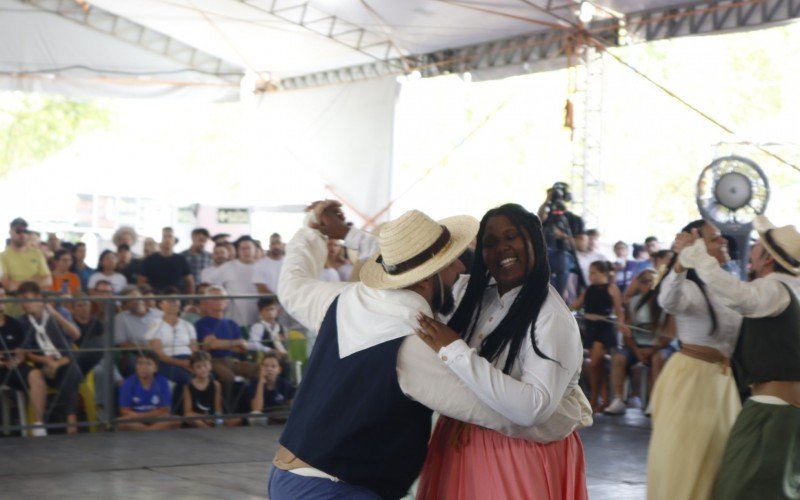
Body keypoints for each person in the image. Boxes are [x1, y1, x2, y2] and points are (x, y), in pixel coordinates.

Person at [269, 201, 589, 500]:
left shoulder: (345, 300)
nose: (462, 268)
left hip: (285, 476)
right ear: (426, 281)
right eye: (450, 264)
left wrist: (311, 230)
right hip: (339, 490)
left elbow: (293, 286)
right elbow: (509, 415)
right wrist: (567, 413)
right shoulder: (417, 340)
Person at [415, 203, 591, 500]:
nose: (502, 249)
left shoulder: (551, 317)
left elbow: (532, 408)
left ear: (534, 240)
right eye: (490, 243)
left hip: (515, 456)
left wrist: (455, 351)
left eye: (512, 237)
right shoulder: (475, 296)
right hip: (460, 445)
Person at [674, 215, 800, 499]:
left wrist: (695, 255)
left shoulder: (774, 289)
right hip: (785, 410)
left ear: (767, 258)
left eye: (757, 245)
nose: (751, 249)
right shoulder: (792, 288)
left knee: (737, 489)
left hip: (772, 409)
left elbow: (738, 295)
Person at [646, 220, 743, 500]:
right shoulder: (688, 288)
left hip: (722, 381)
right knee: (685, 464)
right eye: (715, 239)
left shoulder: (728, 285)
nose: (723, 241)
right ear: (698, 246)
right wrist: (680, 264)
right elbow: (668, 300)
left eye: (720, 237)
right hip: (691, 380)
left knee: (717, 463)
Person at [605, 269, 675, 415]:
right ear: (638, 284)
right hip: (637, 346)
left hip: (661, 346)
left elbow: (670, 334)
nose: (648, 284)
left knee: (658, 358)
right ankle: (618, 399)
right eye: (644, 281)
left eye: (651, 281)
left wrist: (653, 349)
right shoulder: (633, 303)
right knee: (618, 357)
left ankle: (654, 401)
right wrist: (637, 351)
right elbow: (628, 334)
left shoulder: (666, 303)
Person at [17, 281, 83, 434]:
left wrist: (56, 315)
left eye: (28, 299)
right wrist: (46, 361)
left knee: (70, 368)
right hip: (43, 363)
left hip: (64, 359)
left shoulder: (60, 312)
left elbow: (76, 334)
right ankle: (71, 420)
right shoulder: (23, 321)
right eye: (22, 301)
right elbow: (26, 351)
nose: (25, 305)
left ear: (39, 298)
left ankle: (70, 419)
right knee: (72, 370)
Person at [571, 260, 628, 412]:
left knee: (595, 363)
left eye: (593, 273)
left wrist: (620, 326)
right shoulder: (589, 289)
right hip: (591, 329)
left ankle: (595, 397)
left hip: (604, 329)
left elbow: (619, 311)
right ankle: (603, 397)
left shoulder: (612, 288)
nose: (590, 276)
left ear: (603, 273)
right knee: (597, 365)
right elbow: (575, 305)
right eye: (589, 273)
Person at [194, 286, 259, 411]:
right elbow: (211, 345)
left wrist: (221, 343)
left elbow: (242, 348)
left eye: (222, 298)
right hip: (215, 360)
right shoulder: (201, 323)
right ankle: (226, 412)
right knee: (227, 376)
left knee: (259, 369)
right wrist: (235, 342)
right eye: (214, 298)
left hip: (235, 361)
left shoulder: (232, 324)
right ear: (206, 302)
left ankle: (254, 408)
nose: (219, 301)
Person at [0, 284, 48, 436]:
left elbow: (23, 348)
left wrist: (18, 358)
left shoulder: (15, 323)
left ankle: (38, 425)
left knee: (36, 375)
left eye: (3, 296)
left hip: (13, 367)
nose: (1, 299)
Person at [145, 287, 197, 405]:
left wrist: (193, 363)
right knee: (185, 380)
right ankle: (178, 413)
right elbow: (158, 354)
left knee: (208, 375)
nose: (173, 303)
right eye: (169, 300)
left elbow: (194, 348)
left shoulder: (188, 325)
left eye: (176, 300)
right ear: (161, 304)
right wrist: (182, 363)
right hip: (166, 362)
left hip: (188, 360)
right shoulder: (155, 325)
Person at [210, 236, 270, 326]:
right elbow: (216, 290)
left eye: (248, 248)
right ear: (238, 251)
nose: (246, 251)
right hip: (233, 317)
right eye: (242, 249)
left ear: (255, 249)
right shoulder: (226, 267)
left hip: (260, 316)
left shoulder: (263, 267)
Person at [117, 350, 180, 431]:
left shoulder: (162, 381)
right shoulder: (128, 383)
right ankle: (151, 431)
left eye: (148, 363)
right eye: (140, 363)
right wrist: (140, 417)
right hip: (136, 421)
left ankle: (146, 431)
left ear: (155, 368)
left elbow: (165, 410)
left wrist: (141, 416)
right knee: (121, 422)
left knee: (176, 419)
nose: (143, 367)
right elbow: (124, 411)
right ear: (136, 366)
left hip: (155, 419)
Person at [1, 218, 52, 293]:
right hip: (14, 302)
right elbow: (9, 286)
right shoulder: (2, 256)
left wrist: (18, 282)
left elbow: (48, 281)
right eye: (18, 231)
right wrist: (35, 279)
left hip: (36, 301)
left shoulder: (37, 254)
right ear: (10, 232)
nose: (22, 234)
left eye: (25, 231)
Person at [138, 227, 194, 293]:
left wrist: (190, 300)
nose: (167, 240)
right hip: (155, 298)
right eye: (164, 237)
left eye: (170, 236)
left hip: (176, 298)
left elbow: (189, 282)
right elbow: (141, 282)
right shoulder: (149, 260)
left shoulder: (181, 260)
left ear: (174, 240)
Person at [182, 350, 226, 428]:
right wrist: (204, 418)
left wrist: (218, 422)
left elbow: (218, 409)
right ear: (193, 369)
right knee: (191, 418)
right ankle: (207, 430)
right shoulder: (188, 386)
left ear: (210, 366)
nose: (203, 369)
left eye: (205, 366)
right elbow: (188, 412)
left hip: (211, 418)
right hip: (196, 419)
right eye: (198, 367)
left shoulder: (216, 385)